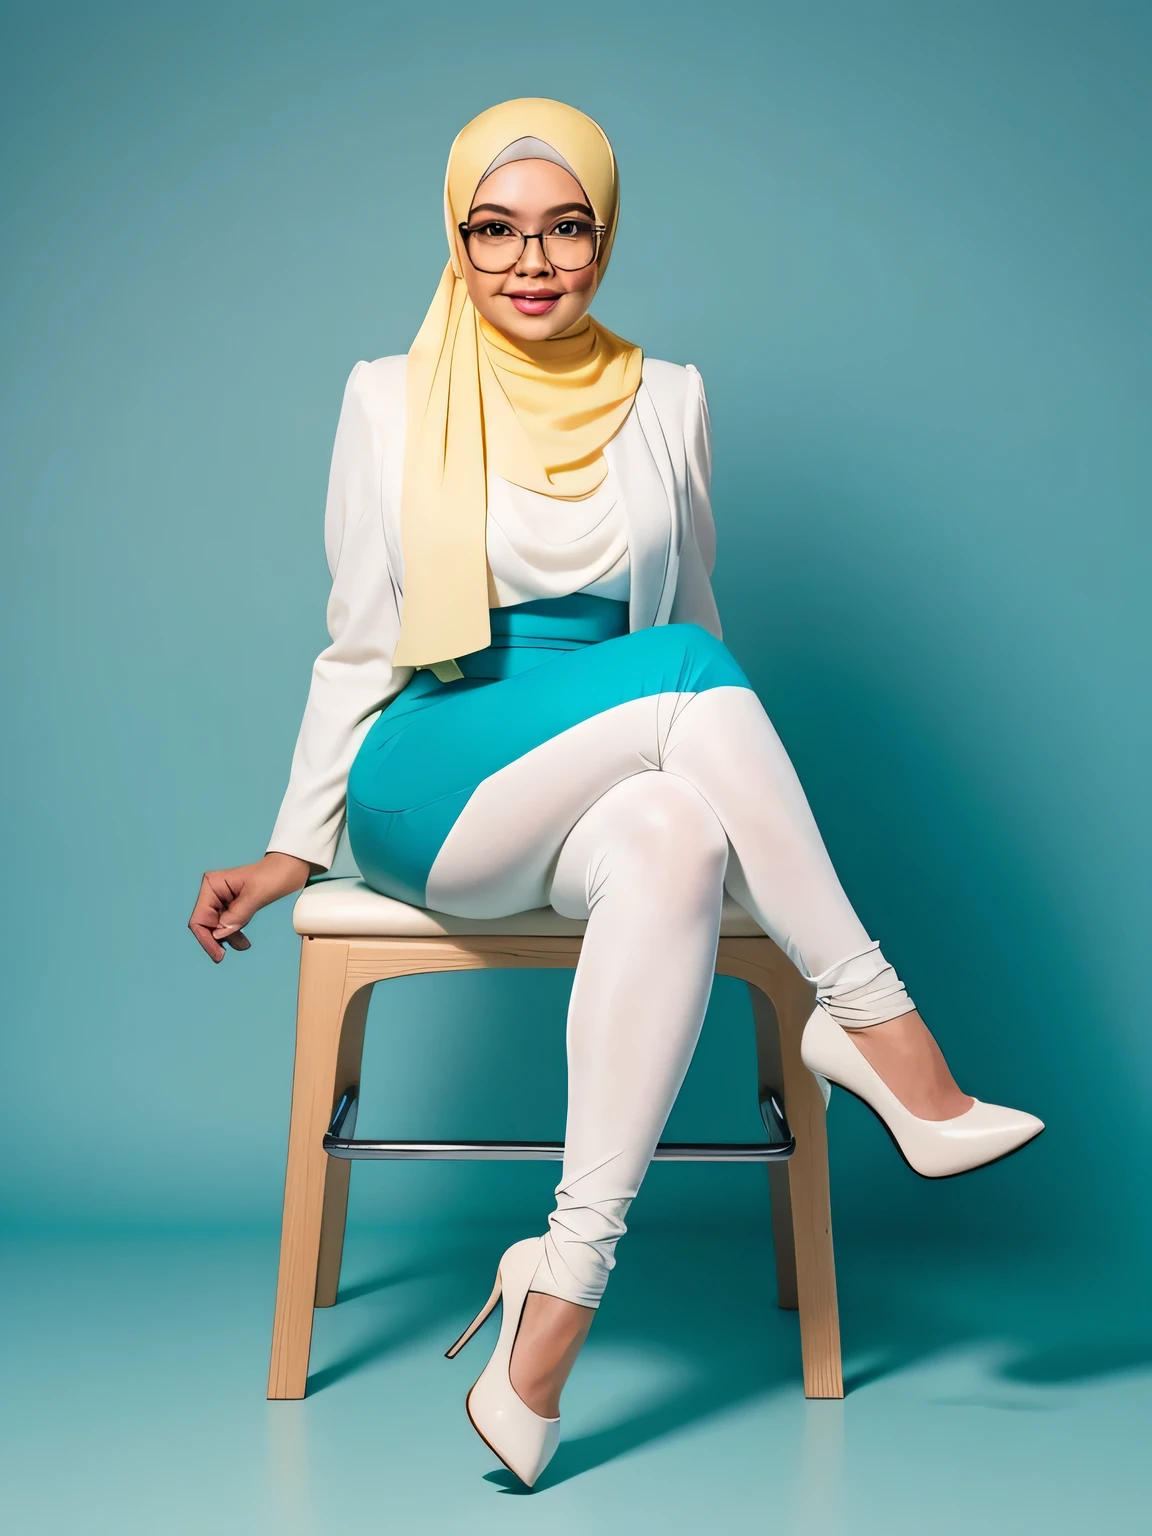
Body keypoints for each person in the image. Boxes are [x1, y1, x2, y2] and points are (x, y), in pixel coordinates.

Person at [188, 97, 1042, 1488]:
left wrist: (718, 794)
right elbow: (357, 638)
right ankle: (886, 1039)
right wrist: (295, 847)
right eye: (497, 231)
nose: (533, 261)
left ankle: (558, 1298)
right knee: (692, 673)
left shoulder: (671, 397)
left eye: (567, 227)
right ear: (456, 242)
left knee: (674, 826)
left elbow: (676, 634)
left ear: (606, 235)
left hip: (603, 769)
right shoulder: (386, 395)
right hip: (435, 782)